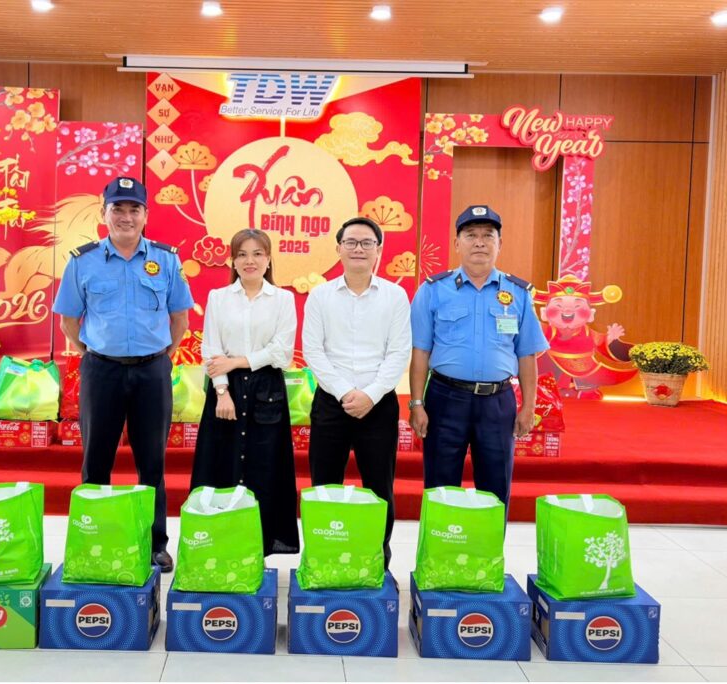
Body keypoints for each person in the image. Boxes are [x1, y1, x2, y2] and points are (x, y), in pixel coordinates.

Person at [52, 176, 194, 572]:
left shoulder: (166, 260)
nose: (126, 217)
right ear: (104, 213)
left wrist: (161, 356)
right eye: (118, 208)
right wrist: (94, 354)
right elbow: (68, 321)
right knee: (96, 461)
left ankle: (155, 544)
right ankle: (95, 540)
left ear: (146, 215)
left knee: (152, 463)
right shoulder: (82, 261)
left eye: (134, 209)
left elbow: (179, 318)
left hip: (152, 372)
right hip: (102, 372)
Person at [409, 205, 549, 513]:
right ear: (457, 243)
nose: (480, 243)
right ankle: (440, 545)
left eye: (488, 236)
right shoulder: (433, 290)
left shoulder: (518, 293)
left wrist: (529, 406)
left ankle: (490, 546)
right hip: (445, 399)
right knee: (440, 486)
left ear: (500, 244)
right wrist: (416, 403)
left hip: (497, 402)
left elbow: (527, 355)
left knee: (495, 488)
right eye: (471, 235)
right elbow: (420, 352)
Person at [302, 217, 411, 567]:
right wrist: (344, 392)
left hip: (378, 405)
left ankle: (377, 559)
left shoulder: (395, 296)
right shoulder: (320, 295)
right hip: (330, 403)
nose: (358, 249)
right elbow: (313, 350)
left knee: (379, 487)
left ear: (378, 250)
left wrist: (371, 394)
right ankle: (323, 558)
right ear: (338, 249)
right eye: (351, 242)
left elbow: (399, 352)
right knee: (324, 485)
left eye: (367, 243)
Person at [190, 229, 300, 555]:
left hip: (268, 389)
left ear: (268, 259)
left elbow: (281, 353)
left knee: (264, 467)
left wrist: (236, 361)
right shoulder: (218, 297)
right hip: (226, 388)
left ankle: (260, 548)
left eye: (257, 254)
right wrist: (222, 392)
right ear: (233, 261)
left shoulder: (283, 299)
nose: (249, 261)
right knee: (220, 464)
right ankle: (218, 544)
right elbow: (211, 349)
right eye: (242, 254)